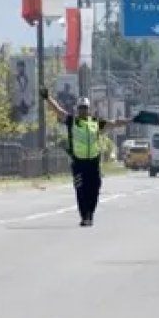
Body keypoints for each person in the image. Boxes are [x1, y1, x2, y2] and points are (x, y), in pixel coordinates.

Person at [43, 89, 128, 226]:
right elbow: (58, 110)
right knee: (81, 190)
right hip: (78, 163)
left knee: (94, 188)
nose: (83, 110)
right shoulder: (72, 121)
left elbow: (114, 123)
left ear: (89, 110)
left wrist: (131, 120)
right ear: (77, 109)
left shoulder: (95, 122)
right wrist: (48, 98)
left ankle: (90, 214)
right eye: (81, 108)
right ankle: (85, 216)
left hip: (93, 163)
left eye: (85, 108)